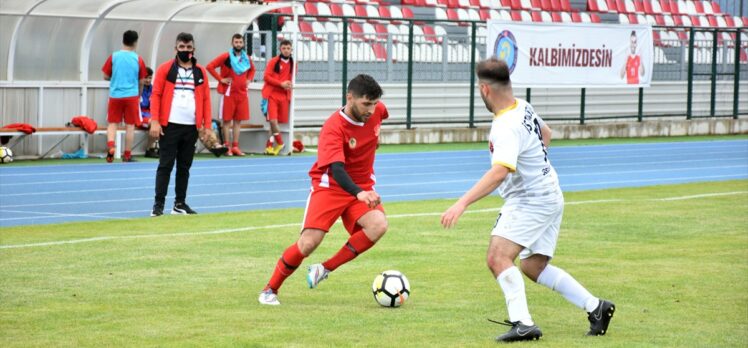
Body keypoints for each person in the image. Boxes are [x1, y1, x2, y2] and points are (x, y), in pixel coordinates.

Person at [440, 58, 615, 342]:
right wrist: (534, 166)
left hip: (530, 200)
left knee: (498, 257)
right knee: (533, 267)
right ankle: (596, 307)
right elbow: (546, 134)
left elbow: (499, 172)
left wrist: (461, 203)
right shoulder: (523, 106)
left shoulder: (505, 125)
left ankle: (523, 323)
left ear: (484, 89)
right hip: (550, 193)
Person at [258, 74, 389, 306]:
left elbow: (378, 122)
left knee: (378, 225)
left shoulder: (378, 111)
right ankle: (270, 289)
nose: (371, 109)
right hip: (330, 187)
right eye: (366, 104)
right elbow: (337, 169)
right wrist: (359, 192)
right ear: (350, 98)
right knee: (308, 244)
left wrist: (375, 139)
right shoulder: (333, 127)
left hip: (362, 187)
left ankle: (324, 268)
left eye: (374, 103)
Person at [149, 32, 211, 217]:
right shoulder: (165, 69)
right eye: (182, 47)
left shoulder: (200, 71)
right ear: (176, 49)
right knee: (165, 165)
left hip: (191, 126)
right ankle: (158, 205)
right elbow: (156, 95)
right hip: (170, 125)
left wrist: (206, 125)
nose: (185, 50)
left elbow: (206, 99)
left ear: (193, 49)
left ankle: (179, 203)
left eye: (189, 47)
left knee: (184, 166)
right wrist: (155, 121)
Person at [102, 30, 147, 163]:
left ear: (123, 40)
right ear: (135, 42)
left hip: (115, 95)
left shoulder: (114, 56)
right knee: (130, 126)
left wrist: (115, 78)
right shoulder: (138, 59)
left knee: (112, 123)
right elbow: (142, 81)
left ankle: (111, 146)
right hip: (131, 95)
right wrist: (139, 95)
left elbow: (105, 76)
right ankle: (127, 155)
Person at [207, 33, 256, 156]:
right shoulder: (226, 56)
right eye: (236, 42)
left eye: (240, 42)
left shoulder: (247, 58)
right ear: (232, 43)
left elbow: (252, 70)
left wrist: (249, 79)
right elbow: (210, 66)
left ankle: (235, 146)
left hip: (242, 94)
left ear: (243, 43)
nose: (238, 44)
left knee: (238, 122)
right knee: (227, 121)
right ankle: (227, 146)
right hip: (228, 94)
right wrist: (220, 79)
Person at [261, 39, 294, 156]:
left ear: (291, 50)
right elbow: (266, 77)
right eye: (284, 48)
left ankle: (269, 146)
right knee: (273, 121)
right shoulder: (273, 62)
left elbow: (292, 78)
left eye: (288, 48)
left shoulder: (293, 63)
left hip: (284, 96)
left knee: (274, 124)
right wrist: (281, 84)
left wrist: (289, 85)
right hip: (272, 95)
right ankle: (280, 143)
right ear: (280, 49)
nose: (286, 51)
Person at [139, 67, 159, 158]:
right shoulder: (137, 89)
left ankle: (160, 148)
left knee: (163, 122)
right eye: (146, 77)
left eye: (150, 78)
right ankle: (149, 150)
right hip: (139, 118)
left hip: (150, 115)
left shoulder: (153, 89)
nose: (148, 80)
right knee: (153, 123)